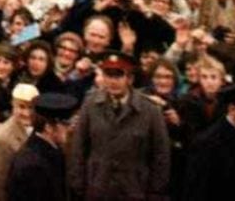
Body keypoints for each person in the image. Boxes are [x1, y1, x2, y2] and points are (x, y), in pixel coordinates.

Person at [68, 54, 172, 201]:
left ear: (130, 79)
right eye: (108, 75)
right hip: (97, 188)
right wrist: (78, 185)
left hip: (135, 190)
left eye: (118, 76)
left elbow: (161, 154)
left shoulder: (150, 110)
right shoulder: (90, 105)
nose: (113, 81)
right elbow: (78, 148)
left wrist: (155, 192)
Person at [5, 92, 77, 201]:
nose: (71, 129)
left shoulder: (52, 151)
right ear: (48, 127)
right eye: (66, 124)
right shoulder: (32, 165)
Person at [0, 83, 36, 201]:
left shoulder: (37, 129)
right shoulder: (1, 139)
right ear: (13, 105)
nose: (27, 113)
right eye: (21, 107)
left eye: (31, 107)